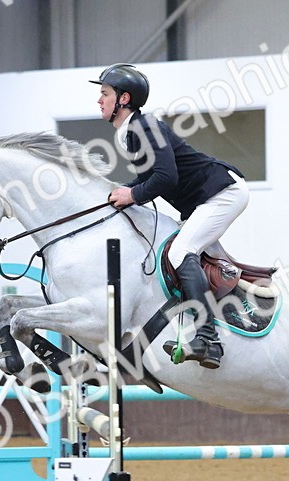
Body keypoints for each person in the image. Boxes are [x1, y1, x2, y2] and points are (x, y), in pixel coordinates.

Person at [92, 63, 249, 369]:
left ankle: (208, 340)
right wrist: (121, 191)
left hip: (223, 192)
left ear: (123, 99)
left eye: (105, 93)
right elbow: (153, 177)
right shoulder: (131, 131)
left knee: (181, 250)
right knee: (186, 252)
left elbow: (165, 178)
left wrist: (133, 194)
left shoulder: (143, 127)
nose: (99, 100)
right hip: (207, 197)